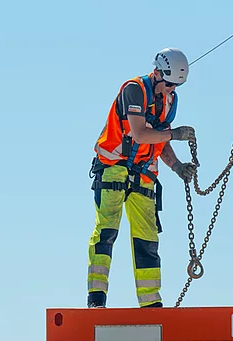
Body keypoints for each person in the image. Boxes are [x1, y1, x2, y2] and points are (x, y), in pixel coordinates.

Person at [86, 47, 198, 308]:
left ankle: (151, 304)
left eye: (176, 86)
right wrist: (175, 134)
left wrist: (177, 166)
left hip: (144, 174)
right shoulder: (134, 90)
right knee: (106, 232)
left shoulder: (169, 100)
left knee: (147, 240)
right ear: (157, 72)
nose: (171, 89)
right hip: (113, 168)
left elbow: (158, 137)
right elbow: (139, 133)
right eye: (168, 83)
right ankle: (96, 300)